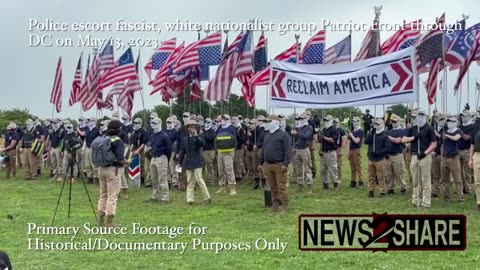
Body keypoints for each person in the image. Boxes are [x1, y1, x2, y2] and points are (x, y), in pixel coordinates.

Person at [96, 120, 131, 227]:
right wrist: (127, 162)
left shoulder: (103, 138)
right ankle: (109, 222)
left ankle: (100, 221)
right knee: (112, 196)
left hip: (101, 168)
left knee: (103, 195)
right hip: (112, 169)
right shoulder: (118, 141)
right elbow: (120, 159)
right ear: (118, 129)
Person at [401, 108, 437, 209]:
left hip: (424, 155)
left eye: (421, 115)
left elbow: (434, 144)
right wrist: (414, 138)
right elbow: (403, 139)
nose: (419, 117)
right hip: (414, 155)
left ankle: (426, 202)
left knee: (425, 179)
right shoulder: (413, 128)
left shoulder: (429, 128)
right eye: (418, 115)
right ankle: (416, 199)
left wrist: (425, 153)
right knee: (415, 179)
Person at [259, 114, 292, 213]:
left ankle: (284, 205)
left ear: (275, 122)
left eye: (268, 121)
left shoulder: (283, 135)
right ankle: (275, 204)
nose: (266, 124)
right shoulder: (267, 135)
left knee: (281, 186)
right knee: (272, 186)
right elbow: (264, 149)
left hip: (279, 164)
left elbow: (288, 150)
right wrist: (261, 162)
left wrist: (286, 164)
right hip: (268, 164)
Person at [178, 120, 211, 205]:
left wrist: (196, 136)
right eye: (190, 127)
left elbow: (203, 144)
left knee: (199, 179)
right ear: (187, 128)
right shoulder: (185, 139)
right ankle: (190, 200)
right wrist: (179, 162)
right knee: (190, 181)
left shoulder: (199, 136)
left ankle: (207, 198)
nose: (192, 128)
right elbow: (182, 151)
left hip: (197, 161)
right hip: (189, 162)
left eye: (194, 127)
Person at [146, 117, 172, 203]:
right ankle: (155, 195)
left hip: (162, 157)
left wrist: (165, 158)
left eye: (155, 123)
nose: (153, 125)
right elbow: (150, 146)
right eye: (152, 123)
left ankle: (165, 196)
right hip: (153, 157)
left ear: (160, 124)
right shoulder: (152, 136)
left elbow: (169, 149)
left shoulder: (164, 136)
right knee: (154, 178)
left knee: (162, 178)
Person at [441, 116, 464, 203]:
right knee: (445, 179)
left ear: (455, 122)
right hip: (445, 157)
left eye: (451, 121)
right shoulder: (445, 131)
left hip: (454, 158)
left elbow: (456, 138)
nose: (449, 122)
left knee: (457, 179)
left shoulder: (459, 131)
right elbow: (442, 144)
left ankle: (460, 198)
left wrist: (447, 135)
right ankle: (446, 197)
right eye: (448, 121)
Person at [364, 118, 389, 197]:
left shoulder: (385, 135)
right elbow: (366, 141)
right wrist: (371, 133)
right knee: (371, 176)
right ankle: (371, 191)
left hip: (380, 159)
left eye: (378, 124)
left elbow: (387, 148)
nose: (376, 126)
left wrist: (378, 153)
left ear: (382, 125)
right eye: (375, 124)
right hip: (371, 158)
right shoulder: (372, 134)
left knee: (381, 176)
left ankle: (382, 191)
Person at [215, 114, 238, 195]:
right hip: (220, 151)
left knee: (229, 170)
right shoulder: (220, 128)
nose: (223, 120)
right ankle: (222, 187)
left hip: (228, 152)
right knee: (220, 170)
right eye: (222, 119)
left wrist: (232, 152)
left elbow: (234, 141)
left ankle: (232, 187)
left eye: (226, 119)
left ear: (229, 119)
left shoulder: (231, 129)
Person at [291, 113, 313, 193]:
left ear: (306, 119)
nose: (301, 120)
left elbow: (306, 136)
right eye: (300, 119)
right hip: (298, 149)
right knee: (298, 168)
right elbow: (297, 138)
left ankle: (309, 186)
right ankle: (299, 186)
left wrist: (297, 133)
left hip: (305, 149)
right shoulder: (299, 128)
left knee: (307, 168)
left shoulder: (309, 127)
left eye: (302, 118)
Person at [385, 115, 407, 194]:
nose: (393, 123)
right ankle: (390, 188)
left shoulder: (402, 131)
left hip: (397, 154)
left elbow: (398, 141)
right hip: (388, 155)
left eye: (395, 121)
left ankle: (402, 187)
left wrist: (388, 137)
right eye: (392, 121)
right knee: (389, 173)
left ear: (399, 122)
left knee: (399, 172)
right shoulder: (389, 131)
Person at [319, 115, 340, 190]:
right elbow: (321, 141)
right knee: (323, 169)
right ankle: (325, 184)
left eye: (327, 120)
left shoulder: (334, 130)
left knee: (333, 168)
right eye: (325, 120)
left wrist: (324, 137)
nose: (326, 122)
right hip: (324, 151)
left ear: (331, 121)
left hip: (331, 151)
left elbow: (333, 140)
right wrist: (320, 149)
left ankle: (335, 183)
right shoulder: (324, 129)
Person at [77, 117, 100, 184]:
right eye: (88, 121)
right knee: (87, 164)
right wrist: (83, 149)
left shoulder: (97, 130)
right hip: (87, 147)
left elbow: (99, 140)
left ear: (94, 122)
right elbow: (85, 140)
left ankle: (96, 177)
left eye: (90, 121)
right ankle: (90, 177)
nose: (89, 122)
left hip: (94, 148)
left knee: (94, 164)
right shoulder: (87, 130)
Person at [459, 110, 474, 194]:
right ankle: (462, 188)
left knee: (467, 172)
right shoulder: (460, 126)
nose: (463, 117)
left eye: (465, 116)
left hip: (466, 151)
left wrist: (459, 132)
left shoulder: (471, 127)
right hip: (459, 150)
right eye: (462, 116)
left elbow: (467, 137)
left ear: (469, 116)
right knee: (459, 171)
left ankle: (467, 188)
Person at [348, 116, 364, 188]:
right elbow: (350, 142)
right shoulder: (353, 131)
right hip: (351, 150)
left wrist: (351, 136)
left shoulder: (360, 131)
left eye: (355, 121)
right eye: (353, 121)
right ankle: (353, 181)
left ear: (358, 122)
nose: (353, 123)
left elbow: (357, 141)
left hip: (356, 150)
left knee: (358, 167)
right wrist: (349, 151)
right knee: (352, 167)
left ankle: (361, 181)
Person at [130, 118, 148, 185]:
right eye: (134, 123)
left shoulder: (143, 132)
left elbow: (143, 143)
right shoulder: (134, 131)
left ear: (140, 123)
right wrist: (131, 148)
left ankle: (142, 180)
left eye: (137, 123)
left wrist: (138, 150)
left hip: (140, 149)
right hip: (134, 149)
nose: (135, 124)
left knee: (142, 165)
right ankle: (135, 179)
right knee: (134, 164)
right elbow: (132, 141)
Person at [431, 113, 445, 197]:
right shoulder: (433, 128)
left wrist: (437, 134)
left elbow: (445, 139)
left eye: (443, 119)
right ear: (436, 120)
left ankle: (445, 191)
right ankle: (435, 191)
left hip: (443, 155)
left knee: (444, 175)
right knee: (435, 174)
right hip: (434, 154)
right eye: (440, 119)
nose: (442, 121)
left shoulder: (446, 128)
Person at [201, 118, 217, 185]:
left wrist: (203, 134)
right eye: (205, 122)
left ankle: (210, 181)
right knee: (202, 166)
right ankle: (202, 180)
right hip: (203, 150)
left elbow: (209, 138)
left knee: (209, 166)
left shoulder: (212, 131)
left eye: (208, 122)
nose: (206, 123)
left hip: (209, 151)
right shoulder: (203, 131)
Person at [164, 117, 179, 188]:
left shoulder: (176, 132)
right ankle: (168, 180)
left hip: (173, 151)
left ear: (173, 123)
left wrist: (176, 152)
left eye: (170, 122)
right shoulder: (164, 131)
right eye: (167, 122)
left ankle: (175, 182)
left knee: (173, 167)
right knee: (166, 167)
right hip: (165, 151)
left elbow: (177, 143)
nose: (168, 124)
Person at [232, 116, 246, 182]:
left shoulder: (240, 129)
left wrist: (237, 144)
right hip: (233, 148)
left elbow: (243, 139)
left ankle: (239, 175)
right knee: (233, 162)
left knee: (238, 162)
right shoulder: (233, 128)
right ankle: (234, 174)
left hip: (238, 148)